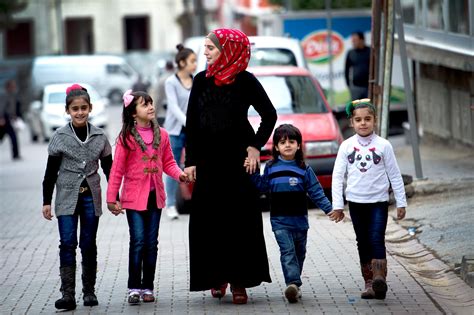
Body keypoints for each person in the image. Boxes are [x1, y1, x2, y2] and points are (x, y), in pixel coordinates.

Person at [183, 28, 277, 304]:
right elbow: (192, 124)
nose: (205, 52)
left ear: (228, 49)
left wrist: (255, 146)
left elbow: (269, 115)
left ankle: (239, 282)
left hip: (240, 163)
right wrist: (190, 163)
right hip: (209, 164)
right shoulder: (201, 80)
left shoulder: (246, 80)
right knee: (209, 222)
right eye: (205, 47)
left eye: (211, 47)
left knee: (240, 222)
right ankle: (216, 277)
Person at [245, 124, 344, 303]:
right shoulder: (271, 167)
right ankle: (292, 283)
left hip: (300, 222)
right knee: (287, 251)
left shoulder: (304, 169)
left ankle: (294, 283)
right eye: (283, 142)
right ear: (276, 147)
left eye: (292, 141)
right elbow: (262, 186)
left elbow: (316, 191)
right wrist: (251, 172)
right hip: (279, 222)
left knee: (300, 252)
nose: (288, 145)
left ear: (299, 145)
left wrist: (330, 209)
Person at [106, 90, 188, 304]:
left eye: (151, 103)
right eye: (145, 105)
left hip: (155, 197)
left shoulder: (163, 134)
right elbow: (117, 170)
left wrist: (180, 175)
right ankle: (134, 287)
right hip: (133, 199)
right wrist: (111, 197)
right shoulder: (126, 138)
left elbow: (169, 162)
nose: (151, 107)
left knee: (152, 243)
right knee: (138, 241)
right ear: (133, 113)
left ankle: (148, 286)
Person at [41, 84, 113, 310]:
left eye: (83, 108)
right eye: (75, 109)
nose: (80, 112)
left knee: (88, 243)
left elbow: (110, 169)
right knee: (67, 243)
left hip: (91, 195)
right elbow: (50, 172)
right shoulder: (59, 137)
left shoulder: (100, 136)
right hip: (65, 197)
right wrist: (46, 201)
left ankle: (89, 291)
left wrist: (115, 196)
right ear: (68, 111)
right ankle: (68, 294)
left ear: (90, 108)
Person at [331, 98, 407, 300]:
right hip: (356, 203)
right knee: (362, 242)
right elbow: (338, 176)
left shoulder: (384, 146)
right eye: (358, 119)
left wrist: (401, 202)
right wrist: (338, 205)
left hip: (378, 202)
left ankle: (379, 278)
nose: (363, 123)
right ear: (352, 122)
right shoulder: (346, 146)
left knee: (376, 237)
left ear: (375, 121)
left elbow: (395, 175)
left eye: (367, 119)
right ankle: (369, 282)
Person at [163, 44, 196, 220]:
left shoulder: (197, 80)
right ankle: (170, 205)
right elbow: (174, 107)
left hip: (193, 131)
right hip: (175, 130)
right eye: (192, 61)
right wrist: (189, 123)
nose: (195, 64)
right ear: (182, 62)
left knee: (196, 163)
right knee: (172, 166)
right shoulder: (171, 82)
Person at [344, 31, 371, 101]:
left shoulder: (370, 51)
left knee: (367, 109)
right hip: (355, 87)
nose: (353, 42)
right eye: (352, 41)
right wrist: (349, 85)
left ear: (362, 40)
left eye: (355, 40)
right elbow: (346, 70)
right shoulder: (351, 53)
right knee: (356, 109)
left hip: (368, 87)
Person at [0, 79, 22, 160]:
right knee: (13, 137)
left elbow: (12, 108)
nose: (14, 88)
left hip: (9, 119)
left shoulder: (13, 95)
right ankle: (15, 154)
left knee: (13, 137)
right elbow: (1, 107)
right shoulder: (4, 95)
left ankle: (15, 154)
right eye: (12, 86)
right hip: (4, 119)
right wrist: (1, 118)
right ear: (8, 87)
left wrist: (14, 116)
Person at [155, 60, 174, 125]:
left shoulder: (162, 80)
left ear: (166, 67)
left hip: (163, 113)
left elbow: (158, 98)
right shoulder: (178, 78)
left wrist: (155, 112)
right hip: (175, 115)